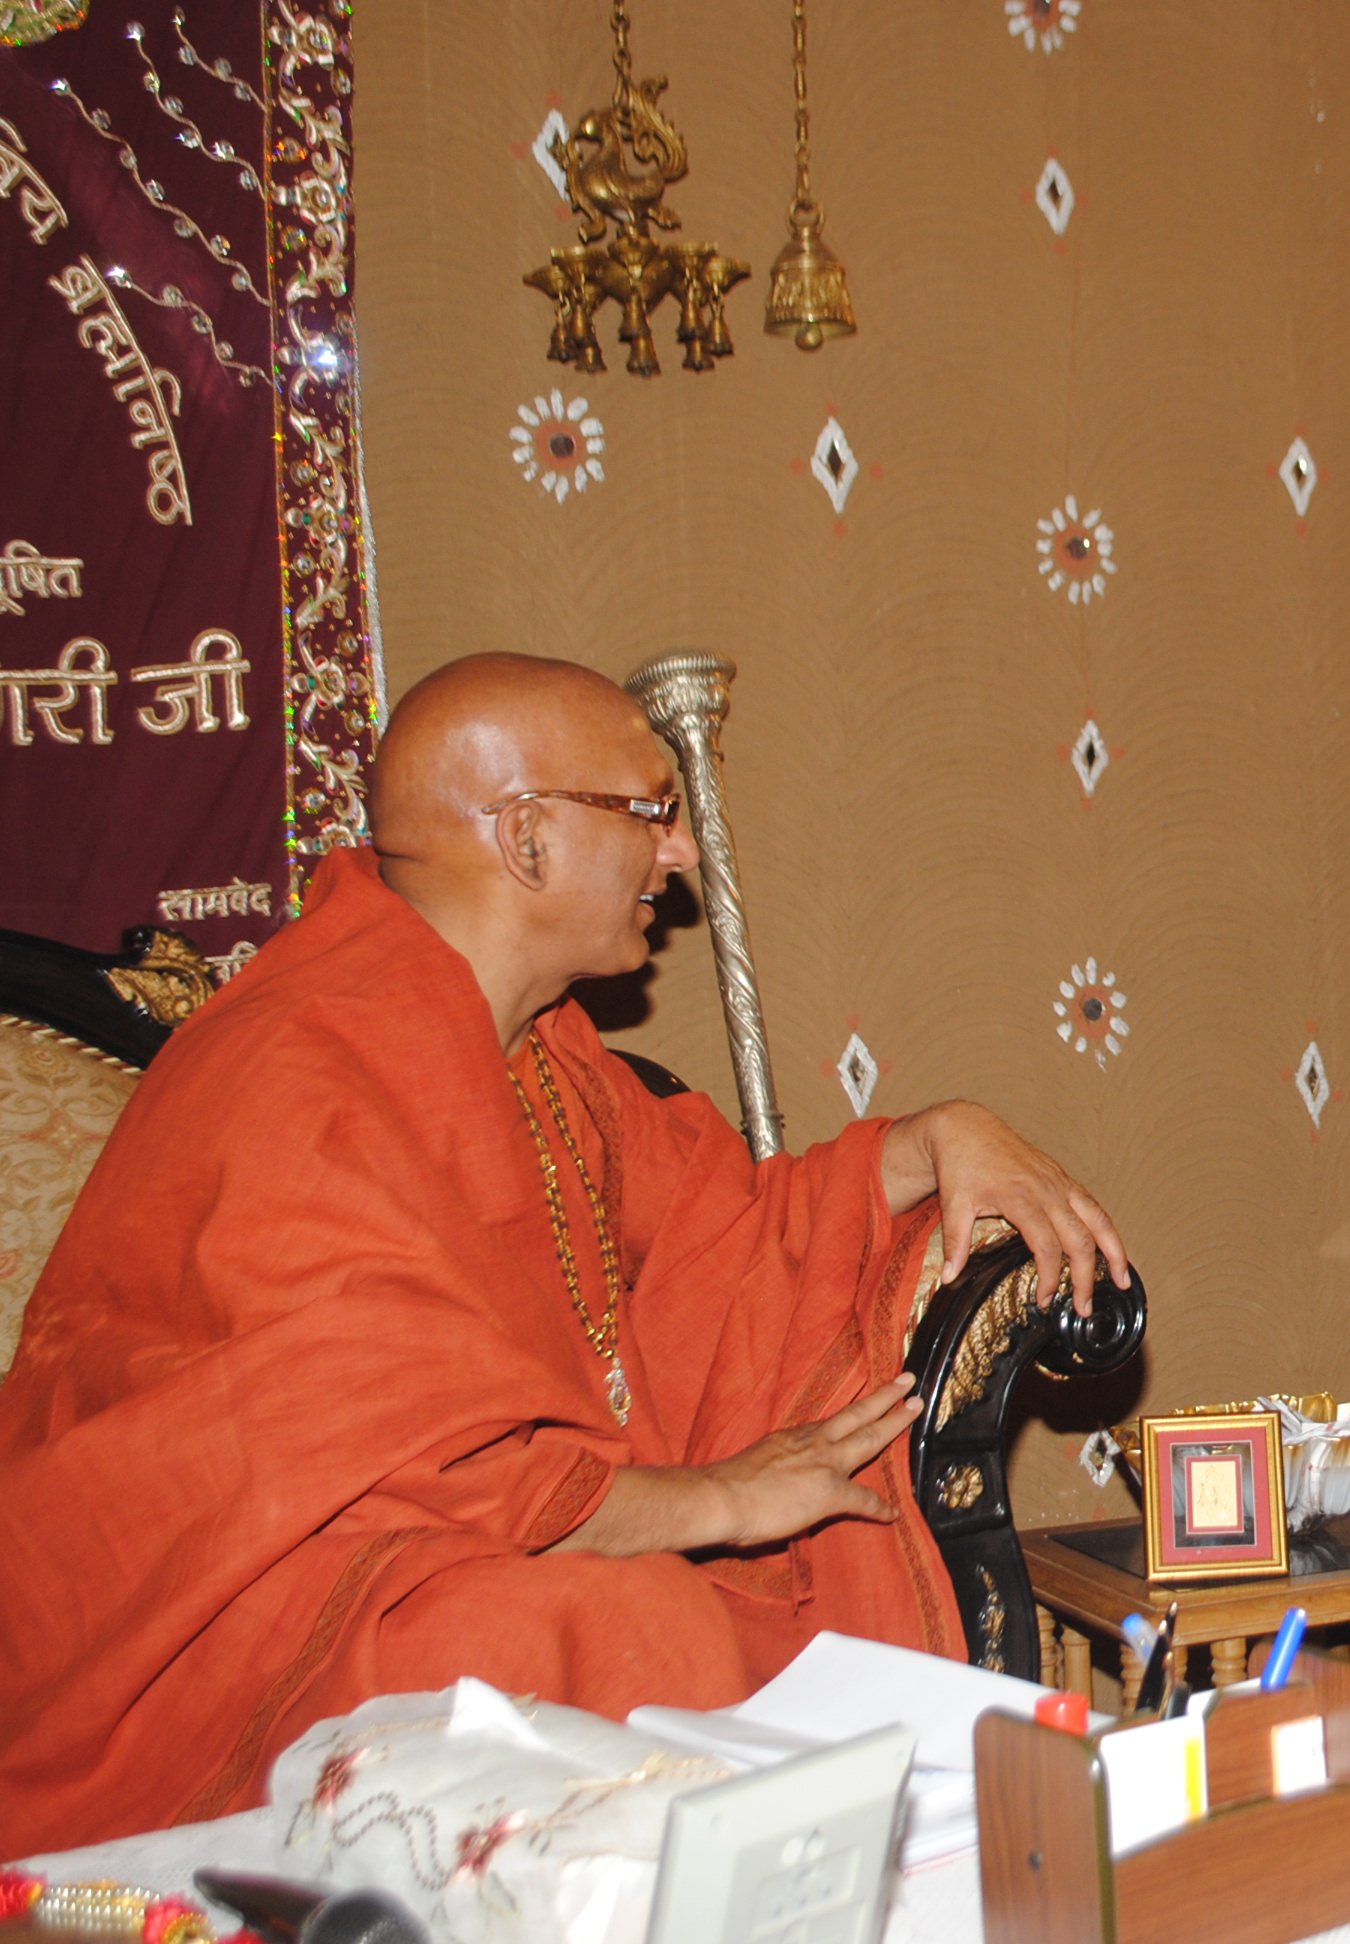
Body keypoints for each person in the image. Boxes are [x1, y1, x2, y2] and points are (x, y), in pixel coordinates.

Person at [0, 654, 1133, 1853]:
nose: (682, 853)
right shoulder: (298, 1068)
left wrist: (935, 1137)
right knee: (625, 1622)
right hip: (202, 1629)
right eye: (651, 811)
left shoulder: (541, 1056)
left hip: (422, 1561)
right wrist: (712, 1499)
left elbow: (729, 1235)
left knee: (728, 1597)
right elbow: (395, 1457)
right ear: (529, 836)